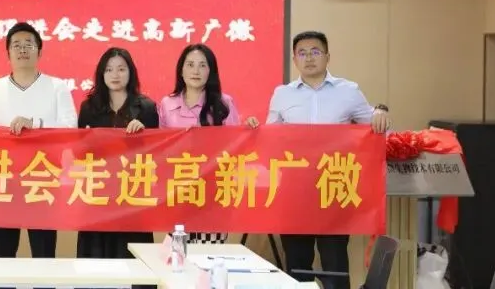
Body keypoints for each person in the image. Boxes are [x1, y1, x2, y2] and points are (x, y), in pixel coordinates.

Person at [268, 30, 392, 289]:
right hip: (295, 192)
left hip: (333, 187)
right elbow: (270, 138)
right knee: (297, 265)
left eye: (315, 52)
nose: (309, 58)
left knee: (335, 264)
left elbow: (376, 127)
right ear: (294, 59)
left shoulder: (349, 91)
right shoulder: (282, 94)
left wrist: (380, 112)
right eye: (302, 53)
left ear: (327, 56)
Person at [0, 22, 78, 259]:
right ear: (8, 53)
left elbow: (70, 128)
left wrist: (35, 125)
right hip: (3, 181)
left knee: (43, 254)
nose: (22, 49)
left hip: (43, 179)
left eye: (28, 45)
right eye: (16, 45)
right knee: (2, 254)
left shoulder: (57, 87)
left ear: (39, 52)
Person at [157, 43, 258, 244]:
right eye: (190, 65)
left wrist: (249, 129)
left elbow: (235, 148)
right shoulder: (167, 104)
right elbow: (160, 148)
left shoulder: (224, 103)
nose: (196, 71)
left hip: (213, 191)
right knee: (178, 252)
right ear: (181, 70)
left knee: (208, 254)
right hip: (178, 189)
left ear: (211, 71)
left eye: (202, 65)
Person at [75, 47, 159, 259]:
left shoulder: (146, 108)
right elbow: (80, 153)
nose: (115, 75)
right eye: (109, 69)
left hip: (132, 197)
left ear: (130, 72)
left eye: (121, 69)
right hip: (98, 195)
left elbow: (157, 154)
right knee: (95, 262)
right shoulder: (88, 108)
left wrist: (144, 134)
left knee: (131, 258)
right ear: (101, 74)